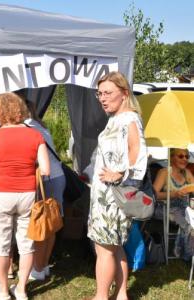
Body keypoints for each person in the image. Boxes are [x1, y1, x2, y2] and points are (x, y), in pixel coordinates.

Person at [0, 93, 50, 300]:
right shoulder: (36, 135)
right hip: (27, 194)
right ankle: (21, 289)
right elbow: (45, 170)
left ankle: (2, 288)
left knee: (1, 245)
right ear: (21, 111)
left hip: (1, 195)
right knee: (27, 245)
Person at [88, 71, 147, 300]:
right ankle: (121, 294)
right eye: (100, 93)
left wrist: (120, 175)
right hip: (106, 194)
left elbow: (139, 153)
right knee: (115, 246)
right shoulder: (116, 118)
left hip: (113, 196)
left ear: (124, 93)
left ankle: (101, 297)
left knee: (104, 249)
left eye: (108, 93)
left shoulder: (130, 119)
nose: (103, 98)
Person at [24, 101, 66, 280]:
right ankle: (44, 264)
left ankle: (38, 268)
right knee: (51, 224)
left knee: (42, 223)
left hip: (46, 178)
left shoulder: (27, 128)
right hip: (57, 177)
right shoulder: (39, 124)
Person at [153, 148, 194, 260]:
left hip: (184, 208)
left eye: (187, 156)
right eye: (180, 156)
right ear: (171, 157)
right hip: (166, 207)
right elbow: (154, 195)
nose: (185, 159)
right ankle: (189, 255)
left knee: (189, 217)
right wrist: (173, 194)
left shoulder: (187, 173)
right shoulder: (164, 172)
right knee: (189, 223)